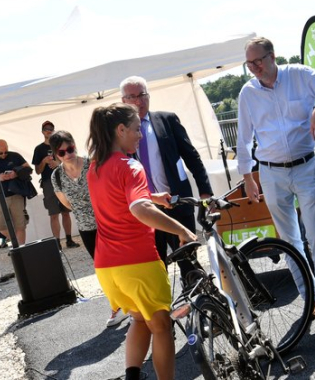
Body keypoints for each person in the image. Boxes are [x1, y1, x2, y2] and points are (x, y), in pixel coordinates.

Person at [237, 36, 315, 319]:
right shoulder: (247, 93)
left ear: (273, 56)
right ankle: (308, 294)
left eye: (258, 61)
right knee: (289, 240)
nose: (254, 67)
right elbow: (243, 138)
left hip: (305, 166)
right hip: (270, 173)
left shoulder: (299, 74)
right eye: (249, 63)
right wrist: (248, 178)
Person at [87, 103, 197, 380]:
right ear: (120, 130)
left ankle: (132, 376)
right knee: (161, 326)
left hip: (107, 266)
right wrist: (182, 229)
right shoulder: (131, 165)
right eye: (136, 129)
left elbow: (119, 200)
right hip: (137, 261)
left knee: (140, 319)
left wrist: (151, 196)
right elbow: (138, 209)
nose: (140, 135)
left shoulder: (95, 168)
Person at [120, 76, 213, 272]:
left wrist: (205, 191)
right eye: (132, 97)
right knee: (156, 268)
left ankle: (199, 301)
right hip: (146, 211)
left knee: (190, 264)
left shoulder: (167, 120)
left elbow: (191, 156)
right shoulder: (119, 134)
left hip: (176, 203)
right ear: (123, 101)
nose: (138, 101)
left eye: (142, 95)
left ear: (148, 95)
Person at [49, 129, 129, 327]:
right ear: (55, 155)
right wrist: (84, 209)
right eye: (62, 152)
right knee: (103, 269)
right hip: (86, 227)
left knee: (122, 263)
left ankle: (133, 303)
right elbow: (66, 203)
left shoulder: (93, 163)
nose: (68, 154)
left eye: (70, 148)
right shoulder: (56, 177)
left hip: (109, 220)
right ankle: (117, 306)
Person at [32, 120, 78, 250]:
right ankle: (57, 242)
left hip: (62, 180)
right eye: (46, 129)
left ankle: (69, 240)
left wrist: (58, 164)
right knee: (53, 214)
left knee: (66, 212)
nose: (49, 130)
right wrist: (44, 162)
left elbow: (71, 162)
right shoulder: (39, 149)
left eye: (51, 128)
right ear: (42, 131)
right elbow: (37, 171)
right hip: (47, 183)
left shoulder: (59, 146)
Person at [0, 139, 30, 246]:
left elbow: (28, 169)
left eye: (6, 152)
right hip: (1, 196)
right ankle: (16, 242)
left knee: (20, 225)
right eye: (1, 153)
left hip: (17, 195)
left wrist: (16, 173)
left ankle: (21, 248)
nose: (4, 154)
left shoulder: (15, 156)